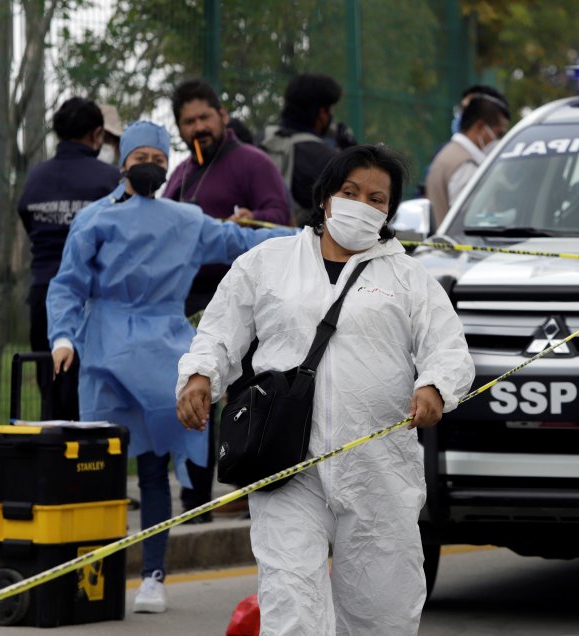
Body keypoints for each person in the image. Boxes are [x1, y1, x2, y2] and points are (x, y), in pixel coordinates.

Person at [175, 145, 475, 635]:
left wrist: (435, 387)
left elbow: (448, 348)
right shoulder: (268, 262)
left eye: (377, 198)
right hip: (285, 460)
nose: (362, 204)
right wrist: (200, 376)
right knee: (291, 601)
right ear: (326, 197)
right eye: (350, 191)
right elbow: (219, 329)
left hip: (378, 466)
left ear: (389, 212)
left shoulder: (408, 277)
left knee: (382, 609)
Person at [47, 121, 292, 615]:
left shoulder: (185, 219)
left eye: (160, 160)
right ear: (123, 163)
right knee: (100, 471)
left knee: (153, 467)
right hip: (105, 356)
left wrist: (309, 237)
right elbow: (68, 284)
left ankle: (153, 575)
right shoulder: (94, 220)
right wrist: (62, 335)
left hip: (160, 351)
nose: (151, 166)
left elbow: (238, 242)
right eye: (142, 157)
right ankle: (93, 575)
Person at [162, 78, 293, 518]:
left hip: (245, 300)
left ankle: (249, 489)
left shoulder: (253, 163)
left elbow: (282, 221)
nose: (197, 127)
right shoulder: (180, 175)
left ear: (222, 116)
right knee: (193, 390)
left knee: (242, 398)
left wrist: (252, 219)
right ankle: (195, 499)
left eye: (204, 117)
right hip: (189, 304)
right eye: (188, 121)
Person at [18, 97, 120, 420]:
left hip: (44, 296)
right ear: (97, 135)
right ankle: (92, 466)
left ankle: (54, 464)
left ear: (58, 134)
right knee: (92, 397)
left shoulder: (35, 179)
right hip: (93, 299)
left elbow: (27, 219)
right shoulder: (110, 181)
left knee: (52, 389)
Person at [260, 73, 354, 226]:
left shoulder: (259, 140)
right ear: (322, 113)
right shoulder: (326, 158)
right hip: (300, 243)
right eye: (330, 110)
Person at [426, 93, 511, 227]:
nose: (499, 140)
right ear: (480, 126)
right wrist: (507, 219)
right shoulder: (465, 165)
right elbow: (468, 220)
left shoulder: (450, 154)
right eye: (498, 133)